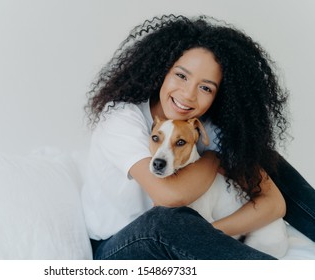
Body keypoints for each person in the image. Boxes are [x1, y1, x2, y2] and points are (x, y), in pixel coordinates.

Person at [81, 14, 315, 260]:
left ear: (218, 96)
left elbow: (274, 204)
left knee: (258, 155)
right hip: (118, 245)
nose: (188, 94)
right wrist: (214, 159)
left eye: (206, 88)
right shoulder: (121, 117)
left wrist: (209, 234)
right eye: (181, 75)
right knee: (166, 220)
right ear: (162, 71)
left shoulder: (205, 128)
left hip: (183, 233)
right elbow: (169, 197)